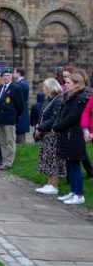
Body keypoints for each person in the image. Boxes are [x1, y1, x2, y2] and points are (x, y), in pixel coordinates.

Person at [53, 73, 89, 205]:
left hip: (74, 135)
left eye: (68, 83)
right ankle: (73, 191)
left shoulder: (81, 98)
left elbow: (72, 117)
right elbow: (61, 114)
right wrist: (56, 125)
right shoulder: (68, 96)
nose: (65, 85)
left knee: (74, 164)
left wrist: (57, 127)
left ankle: (79, 194)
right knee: (69, 163)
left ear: (77, 84)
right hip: (67, 134)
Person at [0, 67, 23, 170]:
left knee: (10, 141)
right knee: (2, 141)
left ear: (11, 76)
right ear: (2, 77)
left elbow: (20, 106)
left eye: (8, 75)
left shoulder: (15, 88)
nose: (6, 77)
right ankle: (4, 160)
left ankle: (8, 162)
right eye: (4, 75)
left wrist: (14, 115)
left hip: (9, 120)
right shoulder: (0, 88)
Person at [33, 78, 64, 195]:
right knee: (47, 159)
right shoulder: (49, 99)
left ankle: (54, 185)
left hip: (52, 134)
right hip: (45, 133)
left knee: (53, 159)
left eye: (45, 87)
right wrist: (38, 127)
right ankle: (49, 182)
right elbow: (43, 114)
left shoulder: (58, 100)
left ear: (51, 88)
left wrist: (41, 128)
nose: (43, 89)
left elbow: (53, 118)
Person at [13, 68, 30, 144]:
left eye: (14, 72)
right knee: (20, 132)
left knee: (20, 133)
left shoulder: (21, 84)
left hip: (21, 111)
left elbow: (19, 100)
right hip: (22, 111)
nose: (13, 74)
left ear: (18, 73)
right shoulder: (22, 83)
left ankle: (21, 148)